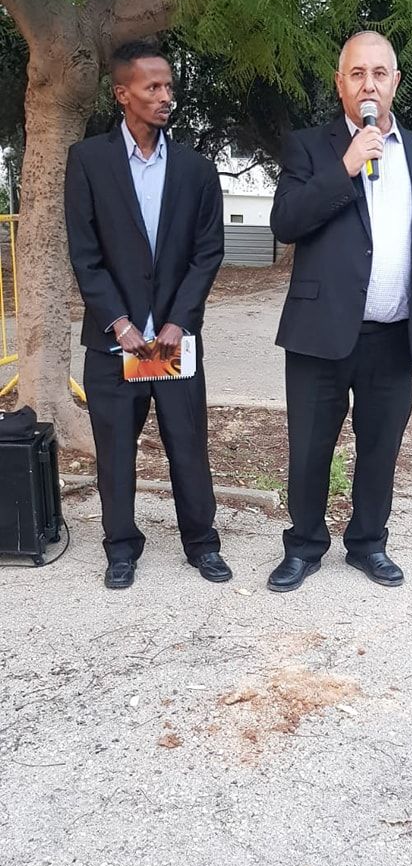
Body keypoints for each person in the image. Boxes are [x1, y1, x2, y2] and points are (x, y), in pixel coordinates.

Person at [267, 31, 412, 593]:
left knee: (380, 449)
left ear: (395, 82)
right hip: (319, 332)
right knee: (309, 449)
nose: (368, 84)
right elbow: (286, 222)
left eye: (379, 73)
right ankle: (304, 546)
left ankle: (369, 543)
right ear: (340, 84)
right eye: (357, 73)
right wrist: (346, 166)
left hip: (394, 334)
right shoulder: (309, 148)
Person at [65, 39, 232, 589]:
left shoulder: (195, 170)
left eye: (168, 87)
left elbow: (208, 252)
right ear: (122, 94)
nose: (165, 97)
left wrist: (177, 322)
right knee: (115, 451)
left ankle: (202, 544)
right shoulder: (88, 162)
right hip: (116, 342)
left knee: (187, 446)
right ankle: (121, 548)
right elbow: (85, 254)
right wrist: (120, 323)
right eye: (152, 87)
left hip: (171, 341)